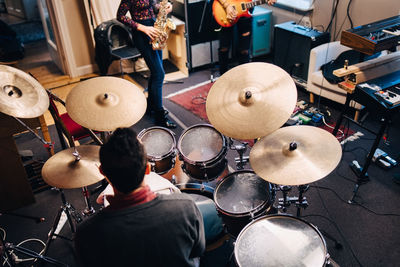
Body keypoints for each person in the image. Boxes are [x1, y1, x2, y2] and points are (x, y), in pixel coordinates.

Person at [74, 128, 205, 267]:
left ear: (102, 172)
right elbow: (198, 250)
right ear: (148, 169)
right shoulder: (185, 208)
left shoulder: (86, 234)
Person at [117, 0, 176, 128]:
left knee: (155, 73)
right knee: (159, 74)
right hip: (142, 32)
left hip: (155, 28)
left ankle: (151, 106)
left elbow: (152, 6)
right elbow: (120, 16)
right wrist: (141, 27)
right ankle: (160, 117)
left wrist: (164, 7)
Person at [216, 0, 276, 75]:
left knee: (244, 50)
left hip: (245, 12)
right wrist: (227, 6)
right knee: (224, 48)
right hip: (225, 10)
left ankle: (245, 78)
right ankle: (223, 77)